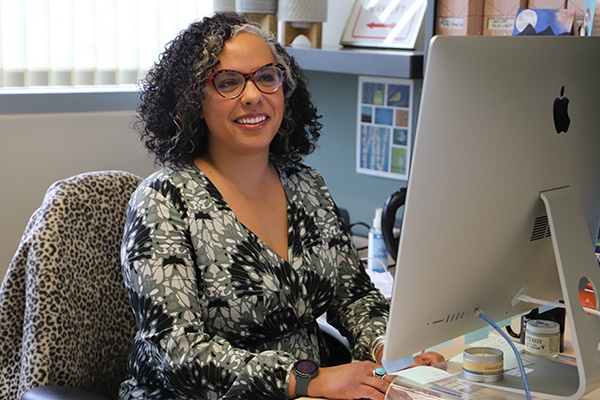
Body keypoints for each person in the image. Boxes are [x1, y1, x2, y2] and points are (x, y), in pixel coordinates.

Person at [120, 12, 443, 400]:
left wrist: (388, 350)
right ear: (192, 101)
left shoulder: (305, 184)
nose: (253, 94)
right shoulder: (163, 200)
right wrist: (310, 379)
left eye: (267, 77)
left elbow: (353, 297)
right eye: (228, 83)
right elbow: (176, 352)